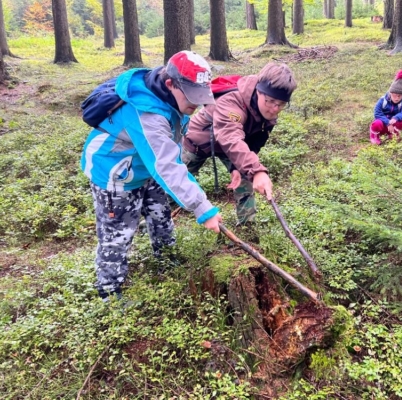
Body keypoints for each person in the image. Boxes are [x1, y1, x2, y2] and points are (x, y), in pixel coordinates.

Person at [80, 50, 222, 302]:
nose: (196, 104)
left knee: (161, 216)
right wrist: (203, 208)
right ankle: (110, 293)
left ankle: (166, 259)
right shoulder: (147, 113)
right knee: (117, 234)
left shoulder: (168, 98)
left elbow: (166, 151)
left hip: (144, 167)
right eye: (192, 97)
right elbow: (166, 165)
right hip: (115, 175)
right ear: (170, 84)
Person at [181, 62, 297, 229]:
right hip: (200, 141)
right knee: (176, 182)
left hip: (233, 147)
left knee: (245, 176)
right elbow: (230, 138)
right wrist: (257, 170)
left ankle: (247, 227)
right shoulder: (231, 102)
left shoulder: (268, 112)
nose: (274, 109)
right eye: (270, 101)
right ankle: (156, 217)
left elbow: (254, 143)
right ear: (259, 91)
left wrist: (237, 167)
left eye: (281, 104)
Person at [369, 69, 402, 145]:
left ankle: (393, 134)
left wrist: (396, 118)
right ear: (390, 93)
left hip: (393, 125)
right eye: (394, 95)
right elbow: (377, 113)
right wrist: (388, 122)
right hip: (383, 123)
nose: (397, 98)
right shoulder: (382, 100)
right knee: (376, 123)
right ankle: (375, 136)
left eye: (399, 96)